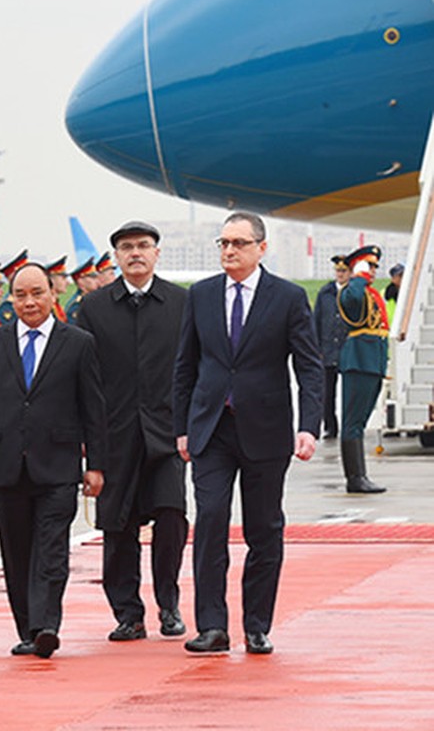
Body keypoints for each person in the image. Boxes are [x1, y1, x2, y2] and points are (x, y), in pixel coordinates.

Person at [174, 211, 322, 656]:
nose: (228, 251)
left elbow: (309, 366)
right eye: (223, 243)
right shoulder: (200, 296)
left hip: (266, 430)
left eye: (238, 243)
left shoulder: (288, 297)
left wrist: (309, 426)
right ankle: (213, 626)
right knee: (211, 520)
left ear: (261, 247)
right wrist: (181, 428)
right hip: (211, 430)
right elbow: (185, 366)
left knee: (264, 529)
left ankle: (257, 625)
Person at [0, 262, 106, 658]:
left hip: (57, 465)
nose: (29, 302)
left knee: (52, 549)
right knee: (17, 551)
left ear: (52, 294)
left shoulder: (78, 343)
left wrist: (96, 464)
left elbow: (94, 409)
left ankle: (46, 626)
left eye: (37, 293)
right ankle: (27, 628)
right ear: (11, 298)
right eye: (20, 295)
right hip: (6, 466)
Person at [77, 221, 188, 642]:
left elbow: (193, 368)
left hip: (167, 435)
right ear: (117, 257)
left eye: (143, 246)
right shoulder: (94, 308)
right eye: (127, 247)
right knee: (117, 527)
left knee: (172, 517)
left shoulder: (181, 303)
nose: (135, 253)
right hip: (114, 436)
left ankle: (169, 604)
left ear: (157, 253)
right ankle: (128, 614)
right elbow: (84, 378)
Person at [336, 246, 388, 494]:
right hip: (358, 361)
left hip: (372, 362)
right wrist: (357, 277)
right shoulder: (351, 291)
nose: (373, 271)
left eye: (374, 267)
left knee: (360, 421)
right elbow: (353, 302)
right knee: (352, 422)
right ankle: (355, 478)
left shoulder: (371, 292)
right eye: (369, 266)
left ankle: (360, 476)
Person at [313, 256, 350, 439]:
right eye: (338, 271)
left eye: (344, 271)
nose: (340, 274)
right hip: (328, 349)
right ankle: (330, 426)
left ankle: (349, 427)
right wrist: (317, 348)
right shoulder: (325, 292)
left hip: (348, 349)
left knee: (350, 393)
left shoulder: (353, 292)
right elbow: (316, 321)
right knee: (327, 393)